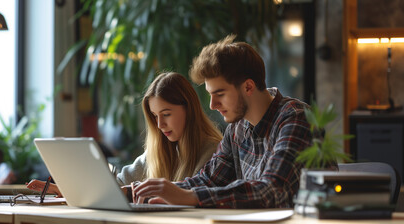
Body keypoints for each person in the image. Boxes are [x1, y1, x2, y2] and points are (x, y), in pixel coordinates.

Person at [131, 35, 320, 208]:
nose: (212, 105)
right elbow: (208, 180)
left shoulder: (296, 118)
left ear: (248, 87)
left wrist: (189, 197)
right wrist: (141, 191)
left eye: (219, 94)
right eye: (210, 95)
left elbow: (271, 191)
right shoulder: (236, 128)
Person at [26, 72, 223, 197]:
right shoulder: (158, 151)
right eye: (155, 116)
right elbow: (116, 186)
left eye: (166, 114)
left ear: (189, 109)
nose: (160, 124)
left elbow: (198, 194)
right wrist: (71, 190)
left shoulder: (214, 150)